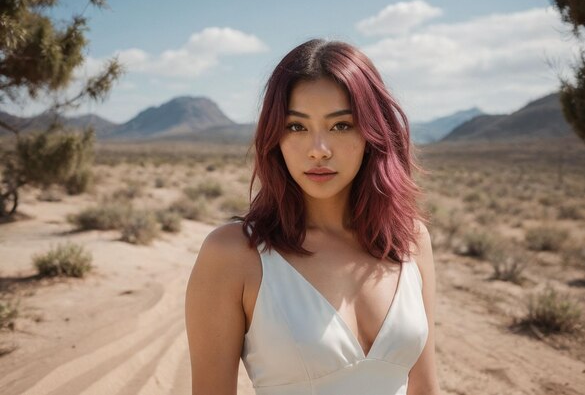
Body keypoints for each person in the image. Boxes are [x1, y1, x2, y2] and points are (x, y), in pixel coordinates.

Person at [185, 38, 441, 395]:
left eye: (341, 126)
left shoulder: (410, 240)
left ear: (373, 133)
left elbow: (425, 388)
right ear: (275, 138)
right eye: (296, 127)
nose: (318, 150)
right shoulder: (233, 254)